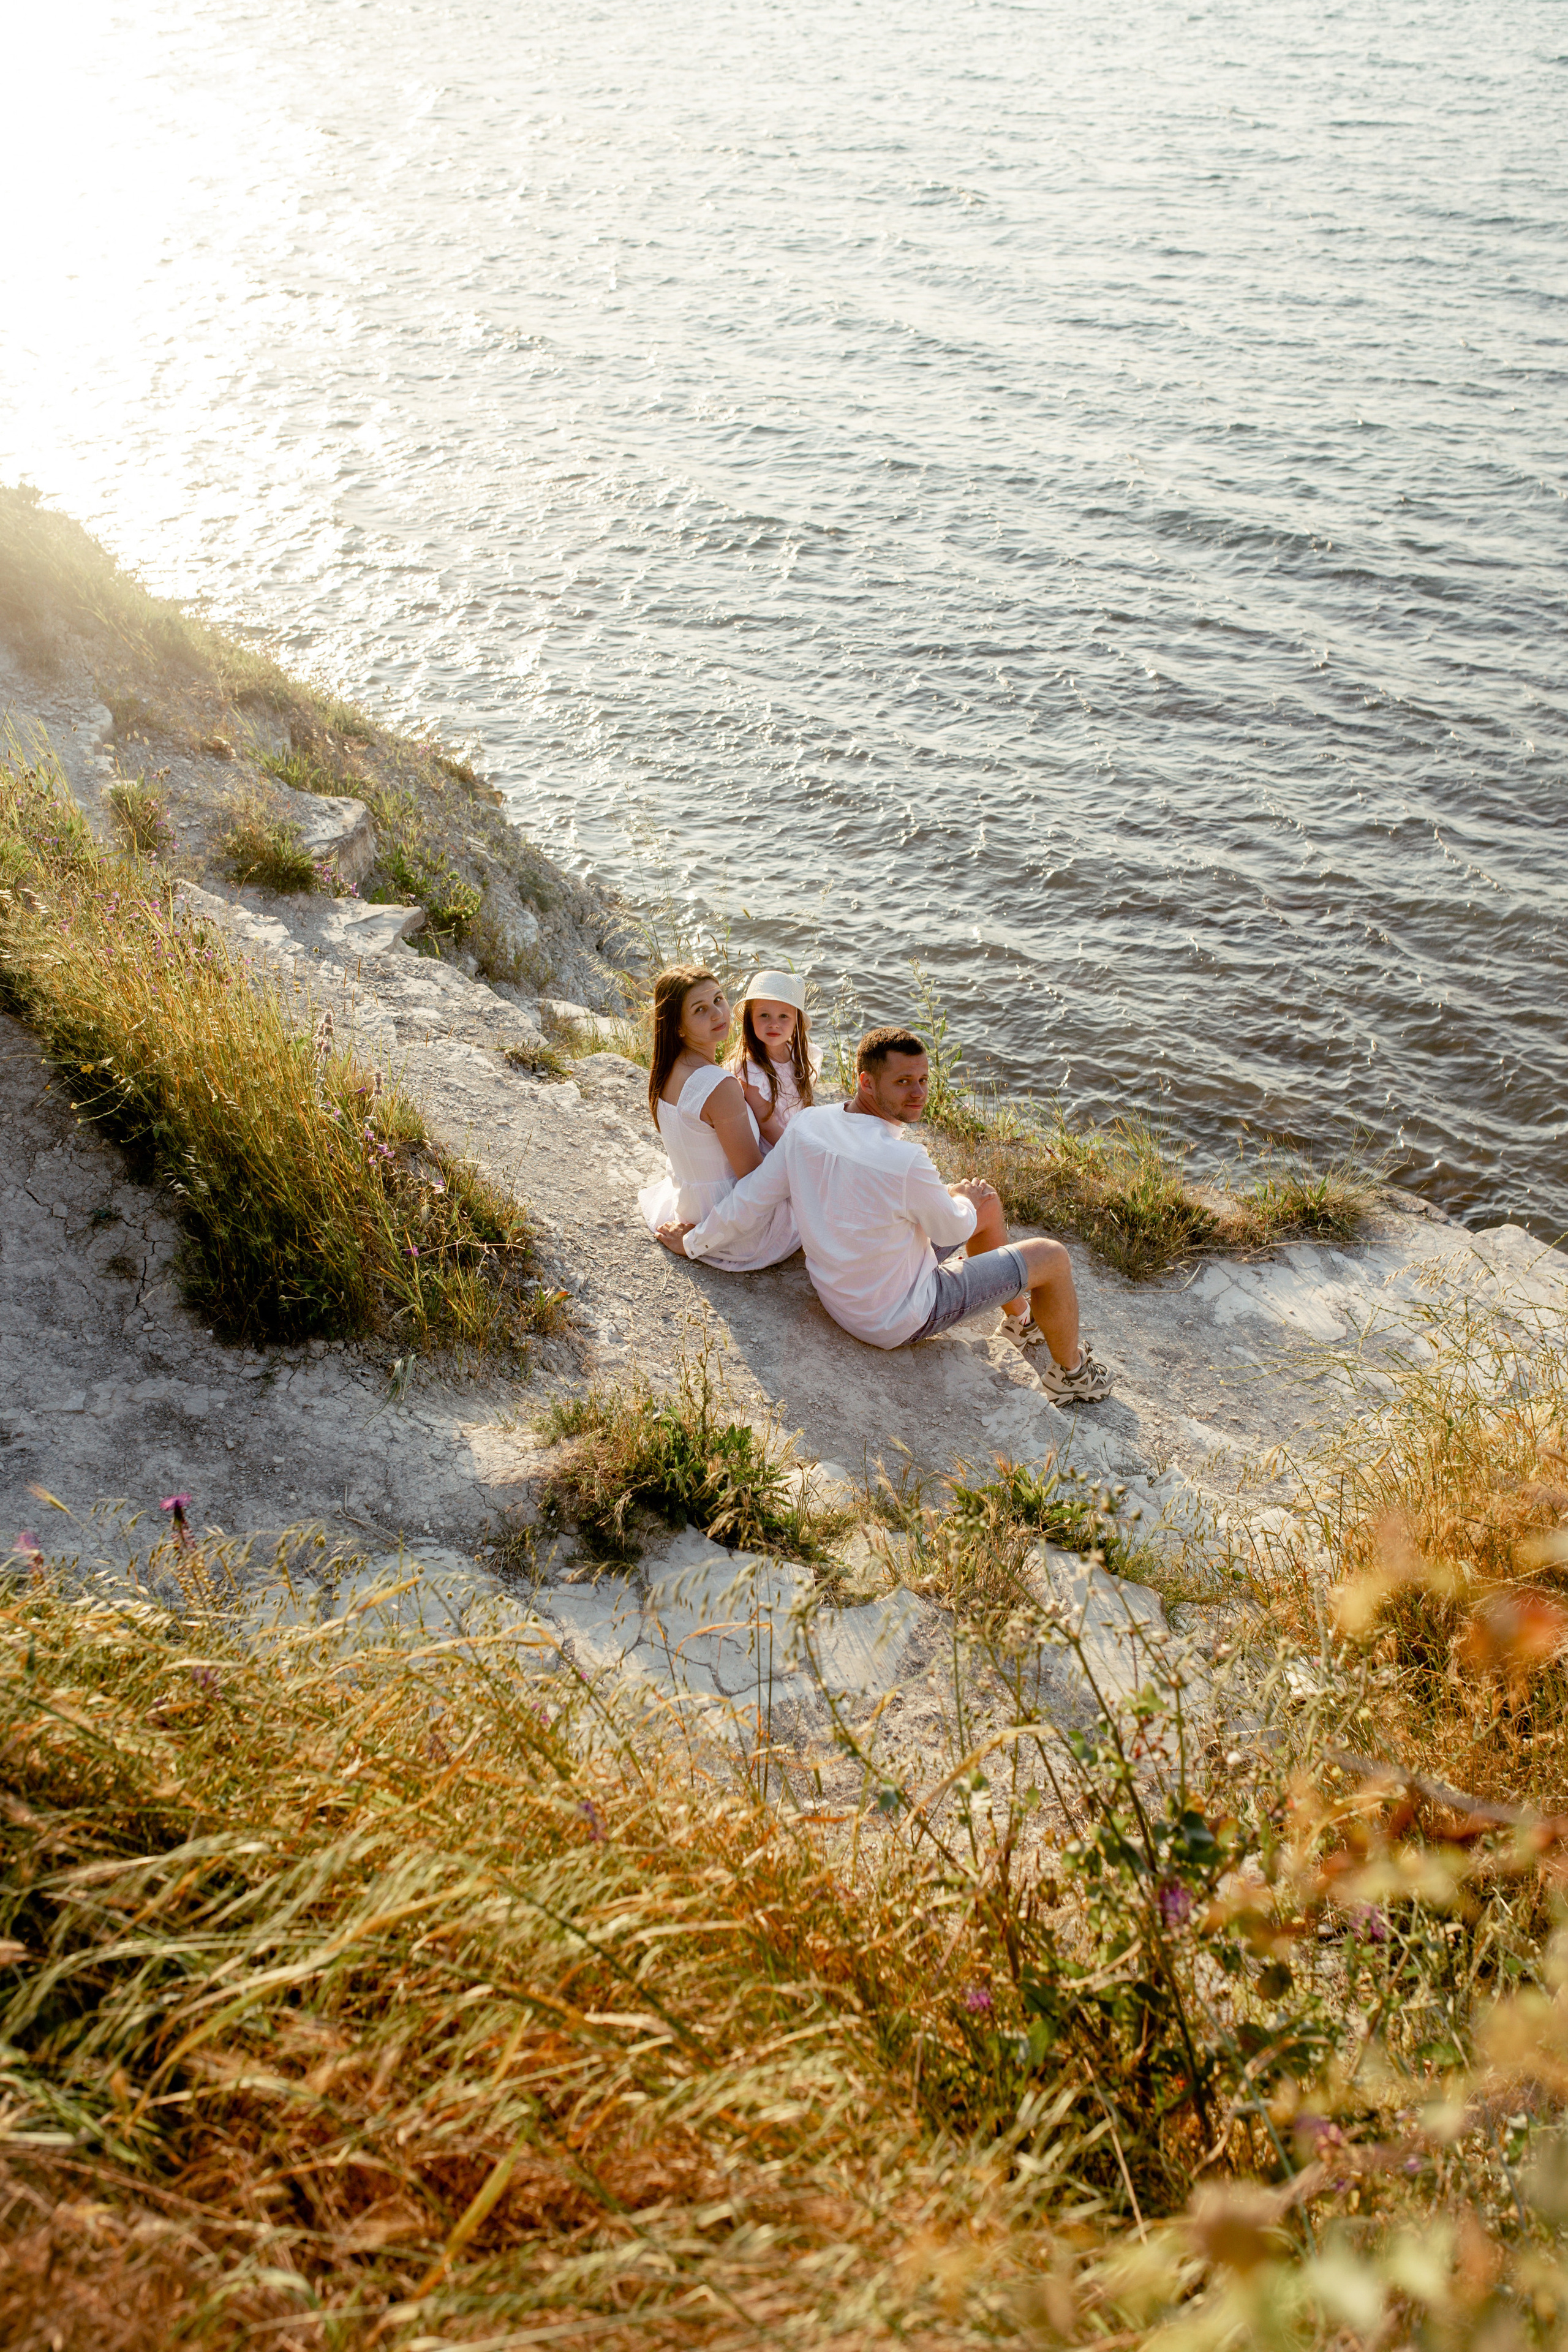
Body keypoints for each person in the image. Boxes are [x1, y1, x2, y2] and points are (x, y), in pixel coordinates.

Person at [657, 1023, 1112, 1404]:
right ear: (866, 1081)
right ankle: (1071, 1378)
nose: (918, 1094)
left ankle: (1022, 1323)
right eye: (903, 1082)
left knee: (983, 1200)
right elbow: (952, 1226)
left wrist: (695, 1241)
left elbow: (753, 1196)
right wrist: (966, 1201)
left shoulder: (810, 1125)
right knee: (1049, 1255)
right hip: (899, 1316)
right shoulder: (905, 1162)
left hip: (840, 1294)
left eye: (923, 1079)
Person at [636, 965, 799, 1271]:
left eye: (719, 999)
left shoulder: (668, 1070)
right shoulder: (719, 1086)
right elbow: (757, 1187)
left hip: (691, 1205)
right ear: (678, 1027)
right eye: (700, 1009)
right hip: (735, 1228)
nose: (718, 1013)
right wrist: (696, 1241)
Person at [728, 968, 821, 1150]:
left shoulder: (798, 1054)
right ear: (750, 1018)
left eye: (784, 1016)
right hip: (778, 1150)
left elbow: (805, 1107)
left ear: (797, 1022)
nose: (774, 1024)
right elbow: (768, 1128)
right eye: (764, 1015)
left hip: (800, 1137)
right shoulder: (751, 1070)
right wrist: (802, 1151)